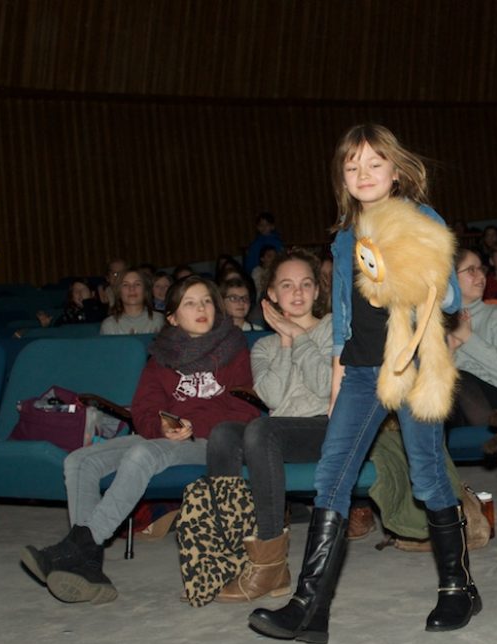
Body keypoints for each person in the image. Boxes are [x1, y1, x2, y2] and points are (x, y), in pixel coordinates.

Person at [247, 123, 473, 644]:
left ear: (395, 171)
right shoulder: (345, 237)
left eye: (374, 164)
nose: (362, 175)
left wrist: (403, 269)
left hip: (411, 367)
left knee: (427, 477)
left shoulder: (421, 219)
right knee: (332, 478)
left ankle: (457, 587)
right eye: (352, 167)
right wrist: (336, 383)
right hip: (360, 374)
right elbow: (344, 327)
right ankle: (310, 606)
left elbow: (451, 302)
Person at [21, 276, 260, 604]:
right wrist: (163, 427)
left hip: (215, 441)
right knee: (80, 460)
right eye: (190, 303)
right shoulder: (160, 357)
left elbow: (244, 408)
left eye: (206, 301)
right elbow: (145, 410)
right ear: (173, 317)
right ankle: (88, 568)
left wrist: (193, 424)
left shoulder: (233, 349)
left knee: (141, 455)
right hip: (168, 438)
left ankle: (77, 546)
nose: (201, 308)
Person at [207, 248, 332, 603]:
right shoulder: (262, 347)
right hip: (282, 428)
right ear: (272, 294)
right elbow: (274, 398)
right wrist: (287, 340)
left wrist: (301, 335)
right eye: (287, 285)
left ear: (316, 291)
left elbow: (325, 386)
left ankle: (271, 560)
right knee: (223, 434)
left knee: (262, 430)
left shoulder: (333, 329)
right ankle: (230, 553)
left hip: (324, 427)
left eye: (306, 284)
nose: (298, 293)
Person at [447, 248, 497, 427]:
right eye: (471, 270)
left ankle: (493, 436)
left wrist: (466, 335)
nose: (481, 276)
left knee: (457, 378)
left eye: (481, 269)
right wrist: (450, 349)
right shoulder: (437, 321)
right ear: (450, 279)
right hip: (455, 406)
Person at [99, 269, 165, 335]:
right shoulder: (109, 325)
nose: (132, 288)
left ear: (145, 290)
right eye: (125, 285)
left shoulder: (159, 321)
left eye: (137, 284)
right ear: (119, 291)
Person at [37, 279, 106, 327]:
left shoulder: (101, 308)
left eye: (83, 290)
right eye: (75, 291)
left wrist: (87, 302)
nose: (79, 293)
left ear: (92, 293)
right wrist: (47, 325)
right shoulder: (69, 313)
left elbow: (94, 321)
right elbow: (59, 329)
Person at [245, 212, 284, 276]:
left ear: (272, 226)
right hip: (259, 272)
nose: (264, 227)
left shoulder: (277, 242)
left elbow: (281, 258)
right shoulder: (255, 244)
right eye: (261, 225)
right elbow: (250, 263)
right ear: (257, 227)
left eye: (267, 225)